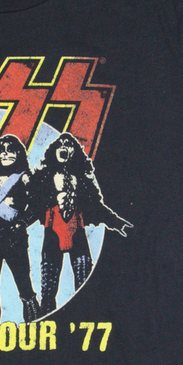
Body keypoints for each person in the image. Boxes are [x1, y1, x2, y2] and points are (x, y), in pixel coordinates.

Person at [30, 133, 133, 315]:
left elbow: (97, 206)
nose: (63, 147)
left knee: (85, 284)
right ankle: (46, 318)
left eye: (68, 144)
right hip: (53, 234)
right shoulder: (44, 177)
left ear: (74, 152)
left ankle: (84, 317)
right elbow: (32, 207)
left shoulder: (83, 180)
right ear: (54, 150)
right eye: (60, 144)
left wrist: (117, 223)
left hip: (77, 233)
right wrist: (15, 224)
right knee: (48, 291)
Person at [0, 135, 40, 324]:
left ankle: (35, 326)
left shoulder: (24, 177)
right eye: (2, 150)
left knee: (25, 286)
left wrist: (21, 223)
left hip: (14, 239)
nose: (6, 153)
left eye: (11, 150)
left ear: (19, 153)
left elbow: (37, 205)